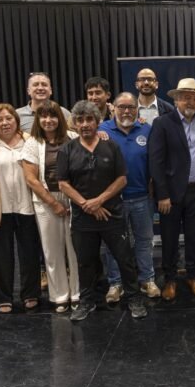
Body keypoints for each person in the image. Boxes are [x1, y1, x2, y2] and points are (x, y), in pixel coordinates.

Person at [56, 100, 148, 321]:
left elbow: (122, 179)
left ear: (98, 122)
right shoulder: (67, 150)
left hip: (112, 214)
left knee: (125, 260)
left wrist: (99, 201)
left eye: (89, 119)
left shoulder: (111, 146)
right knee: (85, 263)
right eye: (80, 120)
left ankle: (134, 299)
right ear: (74, 124)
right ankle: (86, 302)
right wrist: (86, 204)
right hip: (82, 217)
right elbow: (63, 184)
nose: (85, 124)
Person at [149, 78, 195, 300]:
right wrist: (162, 194)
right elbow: (156, 161)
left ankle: (193, 276)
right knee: (169, 238)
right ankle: (170, 279)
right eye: (185, 97)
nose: (190, 102)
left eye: (194, 98)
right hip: (170, 193)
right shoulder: (162, 123)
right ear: (176, 99)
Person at [0, 103, 42, 314]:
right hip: (0, 207)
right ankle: (3, 297)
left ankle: (30, 293)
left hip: (26, 204)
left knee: (29, 251)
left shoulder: (29, 140)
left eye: (8, 118)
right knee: (0, 253)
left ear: (16, 120)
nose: (4, 123)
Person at [99, 92, 160, 303]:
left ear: (137, 110)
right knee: (114, 245)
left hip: (142, 198)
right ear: (113, 108)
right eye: (122, 107)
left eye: (131, 107)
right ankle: (116, 283)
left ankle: (147, 279)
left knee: (144, 241)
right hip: (114, 200)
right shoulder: (102, 130)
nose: (126, 111)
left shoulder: (146, 129)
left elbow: (155, 161)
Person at [21, 101, 80, 313]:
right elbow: (31, 179)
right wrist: (53, 203)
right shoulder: (32, 143)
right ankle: (59, 296)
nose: (48, 120)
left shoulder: (73, 138)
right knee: (52, 251)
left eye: (52, 116)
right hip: (46, 201)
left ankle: (77, 293)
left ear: (60, 118)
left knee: (75, 249)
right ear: (38, 119)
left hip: (73, 198)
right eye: (43, 116)